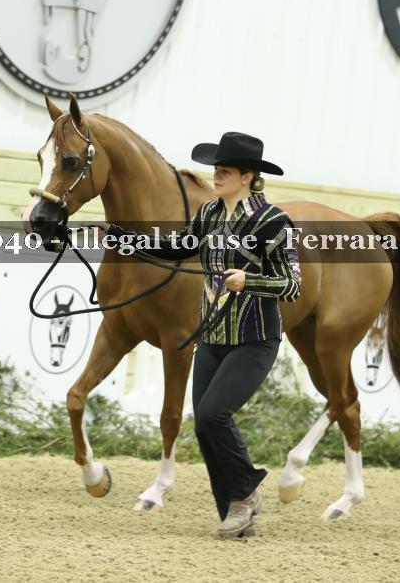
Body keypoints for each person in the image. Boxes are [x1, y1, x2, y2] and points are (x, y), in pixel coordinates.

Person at [96, 131, 302, 539]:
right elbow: (175, 248)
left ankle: (244, 494)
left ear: (248, 177)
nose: (216, 175)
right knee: (204, 426)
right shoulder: (209, 214)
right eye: (216, 169)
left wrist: (250, 280)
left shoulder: (273, 223)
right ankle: (234, 513)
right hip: (212, 337)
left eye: (225, 170)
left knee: (213, 414)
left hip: (254, 338)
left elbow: (292, 285)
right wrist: (121, 238)